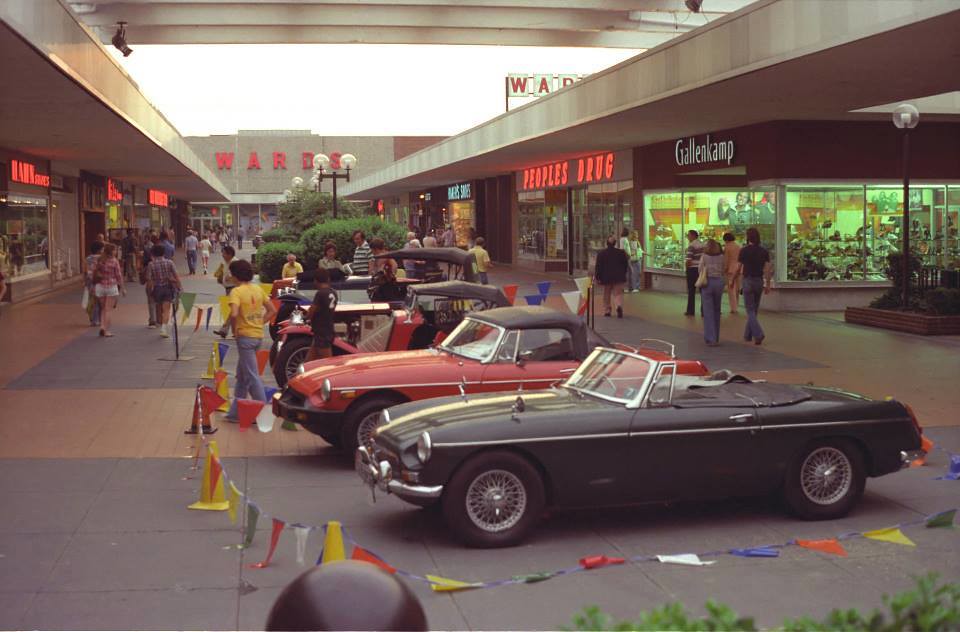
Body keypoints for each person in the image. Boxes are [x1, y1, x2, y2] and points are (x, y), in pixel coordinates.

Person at [223, 259, 276, 423]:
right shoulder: (257, 289)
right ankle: (235, 413)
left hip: (245, 337)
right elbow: (272, 310)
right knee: (242, 375)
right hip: (258, 336)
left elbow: (233, 314)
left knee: (252, 376)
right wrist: (260, 322)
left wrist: (235, 330)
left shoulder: (236, 292)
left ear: (235, 275)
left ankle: (260, 411)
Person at [738, 227, 772, 345]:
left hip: (747, 281)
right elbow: (767, 269)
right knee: (754, 310)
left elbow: (739, 268)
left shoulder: (744, 250)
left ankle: (758, 334)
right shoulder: (763, 251)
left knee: (750, 310)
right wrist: (767, 284)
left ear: (748, 237)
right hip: (758, 281)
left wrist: (733, 280)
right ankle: (748, 335)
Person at [145, 243, 182, 338]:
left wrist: (149, 292)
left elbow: (149, 280)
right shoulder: (169, 262)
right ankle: (163, 329)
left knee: (159, 307)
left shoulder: (151, 264)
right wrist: (180, 287)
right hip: (167, 288)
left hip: (157, 288)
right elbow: (176, 276)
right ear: (163, 253)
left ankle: (159, 323)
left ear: (153, 253)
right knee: (166, 309)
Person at [92, 243, 125, 337]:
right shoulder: (114, 261)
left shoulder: (99, 260)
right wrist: (122, 288)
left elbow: (93, 272)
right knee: (108, 310)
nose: (116, 252)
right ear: (111, 251)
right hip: (111, 286)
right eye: (115, 250)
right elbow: (118, 275)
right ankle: (106, 330)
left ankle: (102, 326)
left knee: (103, 308)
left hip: (100, 287)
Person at [306, 268, 338, 361]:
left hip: (321, 331)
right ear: (328, 279)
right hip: (328, 328)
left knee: (327, 362)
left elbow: (311, 311)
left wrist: (305, 318)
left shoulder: (320, 293)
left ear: (315, 280)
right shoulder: (333, 292)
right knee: (309, 361)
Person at [698, 239, 726, 346]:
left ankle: (711, 338)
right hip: (719, 282)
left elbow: (700, 269)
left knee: (708, 311)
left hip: (708, 282)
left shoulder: (704, 256)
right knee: (717, 310)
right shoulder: (722, 257)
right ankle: (716, 336)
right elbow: (724, 269)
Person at [594, 236, 629, 318]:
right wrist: (623, 273)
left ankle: (607, 310)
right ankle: (618, 306)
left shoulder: (602, 254)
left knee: (607, 294)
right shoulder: (621, 253)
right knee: (618, 293)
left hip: (606, 277)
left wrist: (598, 277)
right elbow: (625, 265)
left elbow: (598, 266)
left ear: (607, 243)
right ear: (615, 243)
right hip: (618, 277)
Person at [213, 245, 238, 338]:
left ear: (230, 254)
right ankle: (233, 331)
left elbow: (237, 276)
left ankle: (225, 329)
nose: (222, 255)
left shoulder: (235, 262)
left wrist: (229, 278)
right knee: (233, 311)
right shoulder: (225, 263)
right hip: (228, 289)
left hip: (234, 289)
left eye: (224, 253)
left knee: (233, 310)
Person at [684, 230, 704, 316]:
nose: (687, 237)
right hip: (701, 270)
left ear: (692, 236)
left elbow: (689, 260)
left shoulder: (691, 246)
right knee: (702, 291)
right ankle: (704, 311)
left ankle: (690, 311)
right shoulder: (702, 245)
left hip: (692, 270)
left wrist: (686, 268)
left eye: (688, 235)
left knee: (691, 291)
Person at [140, 236, 159, 328]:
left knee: (151, 302)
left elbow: (146, 277)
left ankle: (153, 320)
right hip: (162, 285)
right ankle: (159, 320)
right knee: (160, 303)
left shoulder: (149, 264)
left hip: (150, 285)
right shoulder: (167, 262)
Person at [85, 241, 104, 327]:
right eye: (102, 249)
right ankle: (98, 319)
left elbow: (86, 272)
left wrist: (85, 282)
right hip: (100, 281)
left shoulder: (88, 258)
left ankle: (93, 319)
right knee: (100, 302)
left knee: (93, 300)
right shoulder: (102, 258)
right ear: (99, 250)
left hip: (90, 281)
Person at [722, 232, 741, 314]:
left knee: (731, 288)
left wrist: (724, 269)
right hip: (739, 268)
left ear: (726, 239)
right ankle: (737, 304)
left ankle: (733, 308)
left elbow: (726, 260)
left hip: (730, 269)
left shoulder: (727, 247)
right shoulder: (738, 246)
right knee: (737, 288)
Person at [619, 228, 644, 293]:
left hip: (636, 258)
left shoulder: (634, 241)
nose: (637, 235)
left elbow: (639, 250)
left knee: (634, 273)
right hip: (633, 258)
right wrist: (630, 255)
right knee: (633, 273)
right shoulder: (628, 241)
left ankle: (633, 287)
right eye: (636, 234)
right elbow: (633, 250)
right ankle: (633, 287)